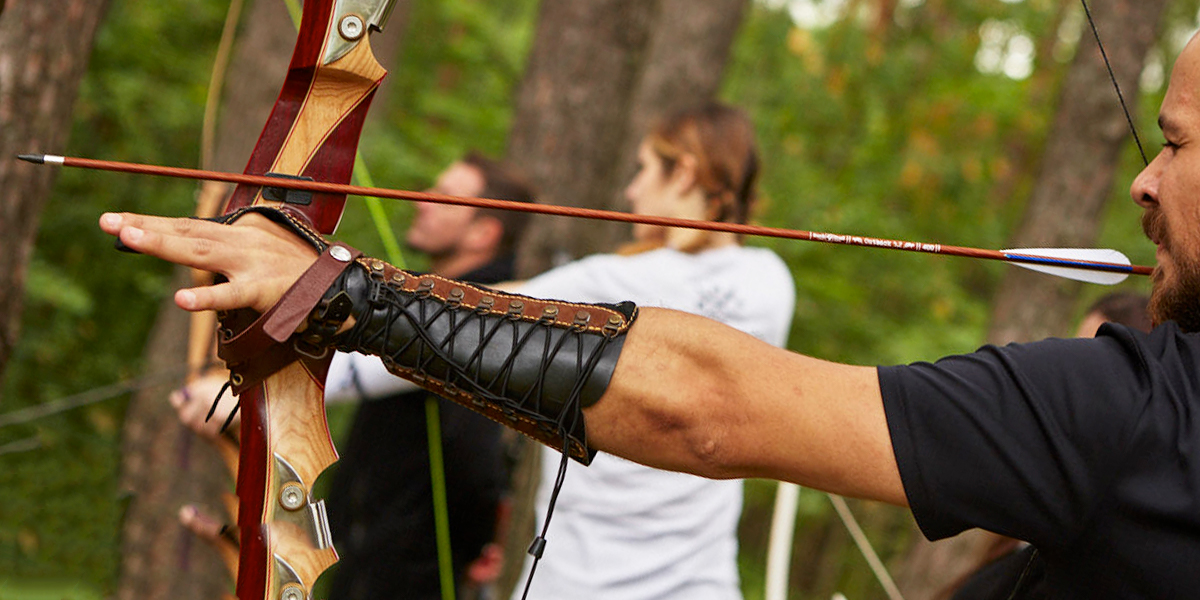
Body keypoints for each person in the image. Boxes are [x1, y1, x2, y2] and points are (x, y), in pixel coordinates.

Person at [99, 30, 1200, 598]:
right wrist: (270, 372)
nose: (1144, 179)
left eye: (1179, 144)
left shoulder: (753, 282)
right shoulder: (587, 273)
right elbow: (418, 348)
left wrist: (342, 291)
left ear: (700, 184)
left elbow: (699, 389)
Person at [171, 152, 536, 600]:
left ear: (484, 232)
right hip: (371, 558)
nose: (423, 199)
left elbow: (476, 459)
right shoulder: (430, 305)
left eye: (446, 197)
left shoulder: (482, 319)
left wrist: (246, 397)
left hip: (408, 575)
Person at [507, 104, 794, 599]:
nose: (631, 191)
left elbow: (456, 317)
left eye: (642, 169)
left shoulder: (608, 281)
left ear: (683, 173)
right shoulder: (771, 281)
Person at [943, 292, 1152, 600]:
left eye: (1094, 367)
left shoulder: (1116, 543)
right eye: (1076, 356)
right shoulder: (1036, 503)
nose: (1073, 381)